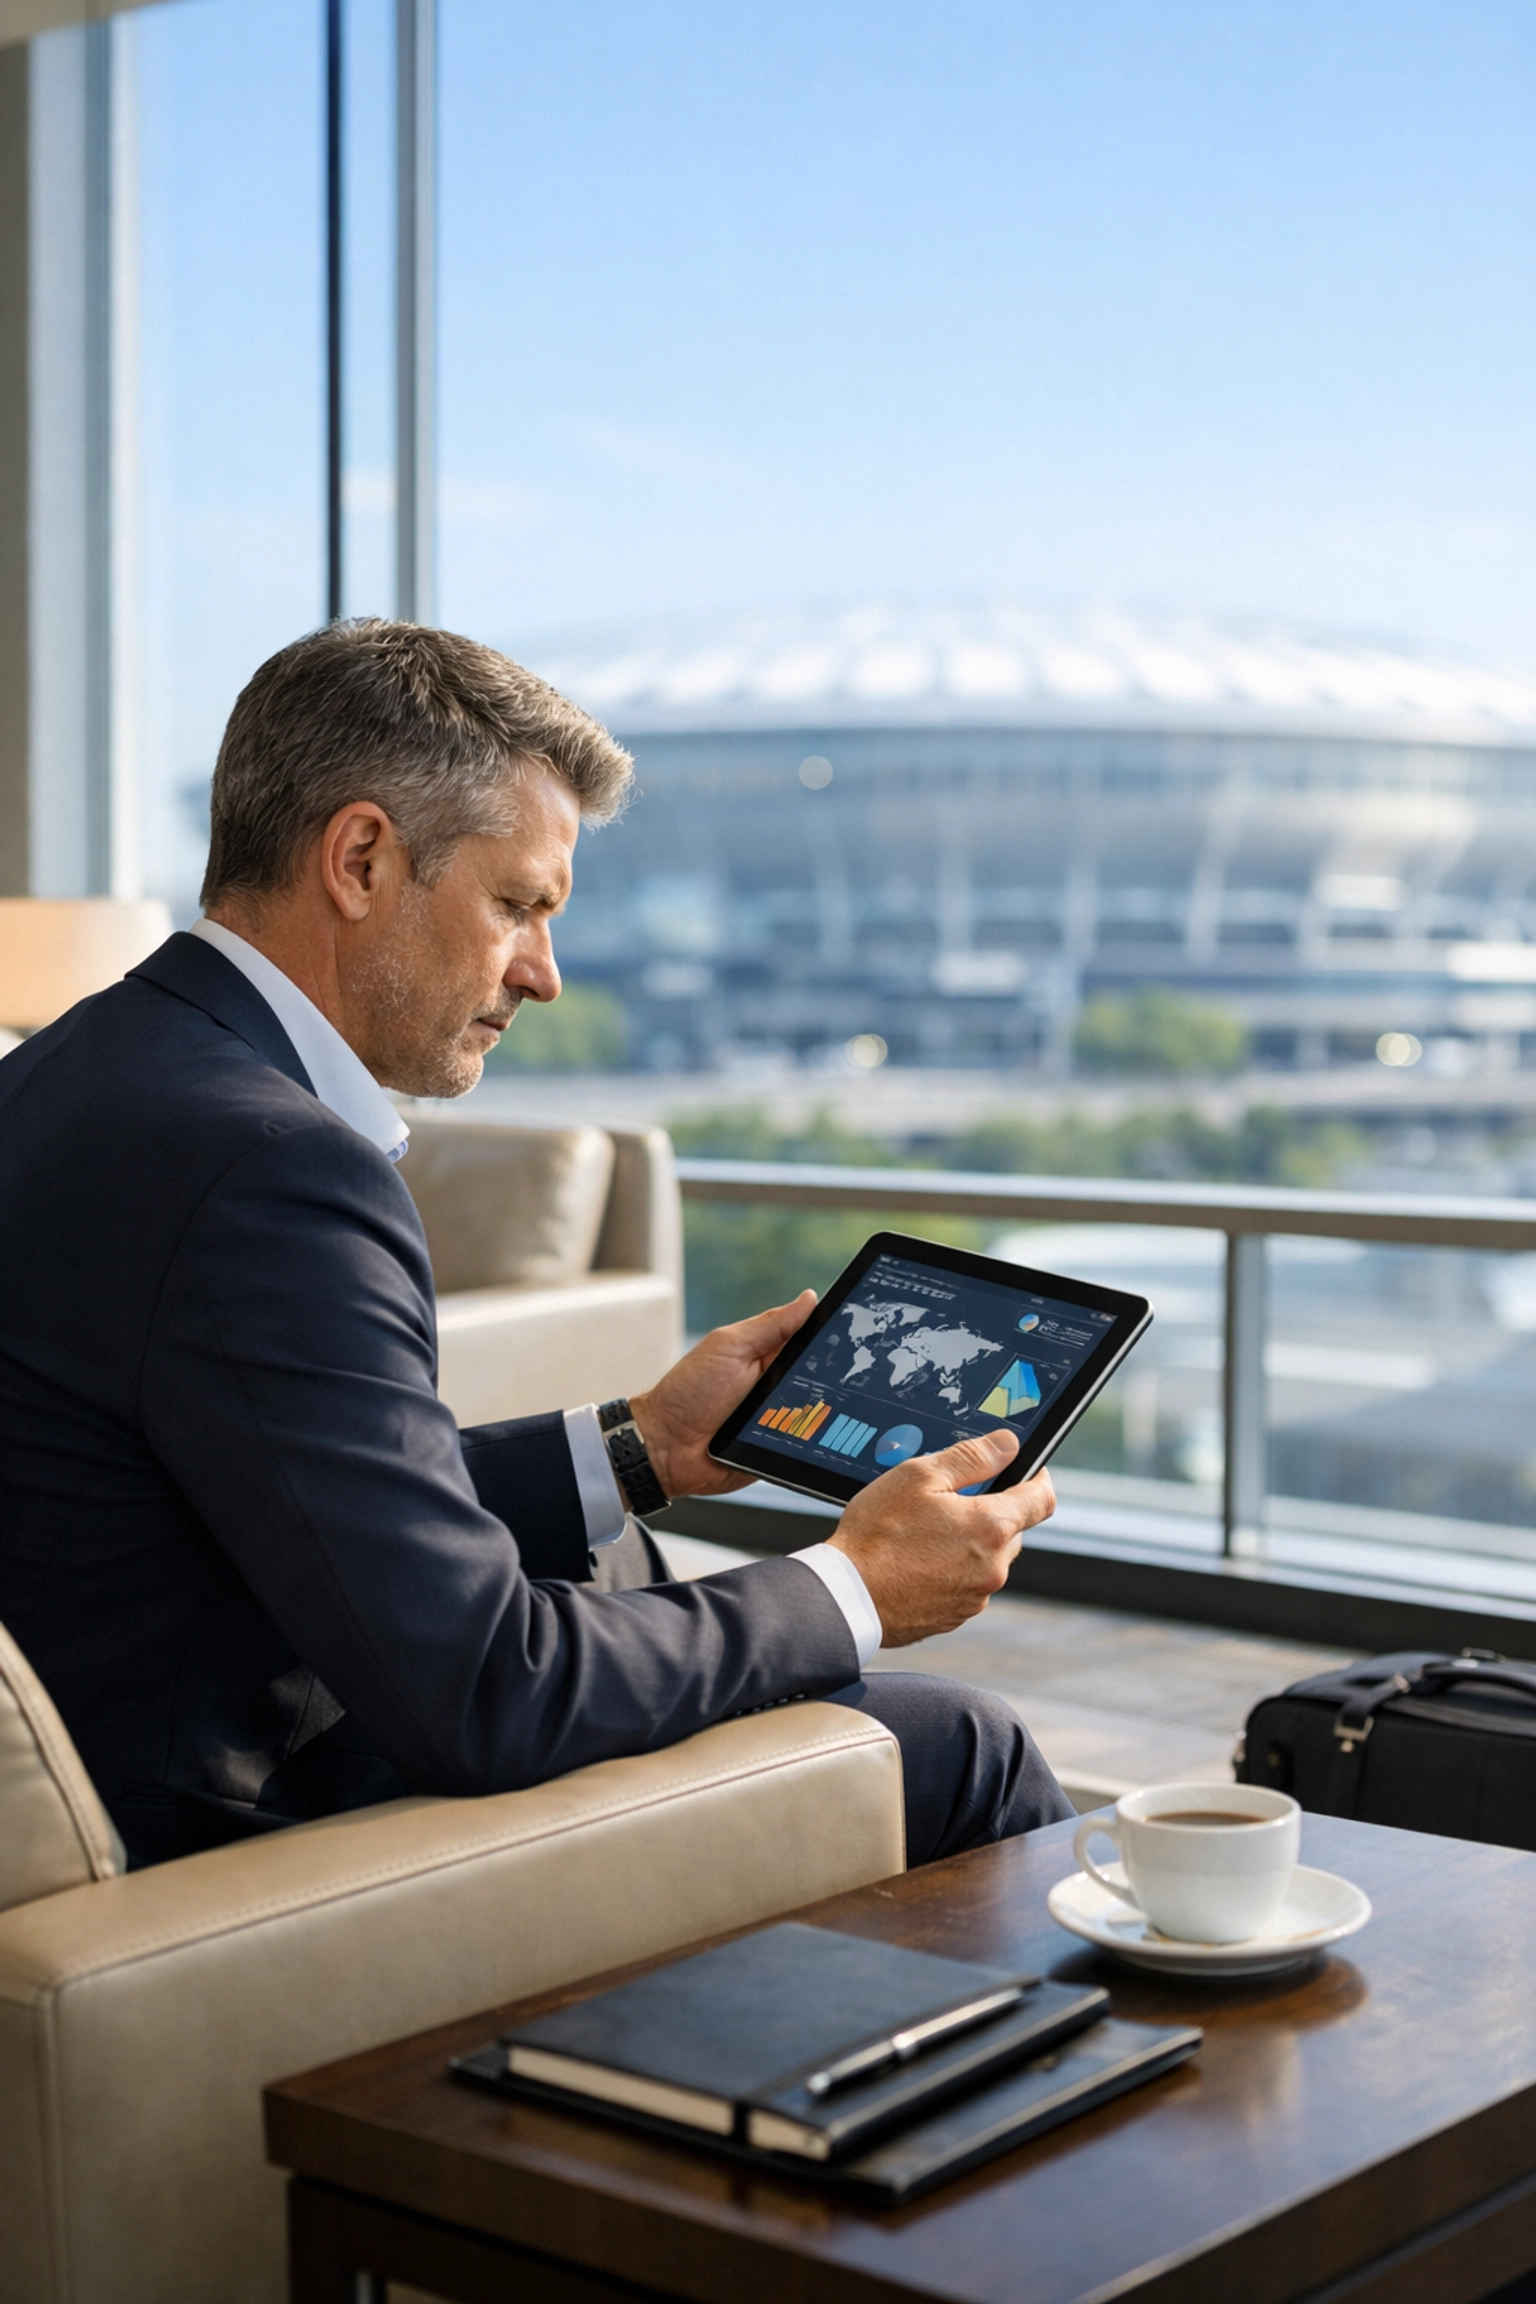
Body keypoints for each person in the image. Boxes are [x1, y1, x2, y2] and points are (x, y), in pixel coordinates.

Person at [0, 619, 1069, 1870]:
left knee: (634, 1559)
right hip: (228, 1821)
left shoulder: (80, 1070)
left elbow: (280, 1480)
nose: (544, 973)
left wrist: (643, 1445)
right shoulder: (270, 1171)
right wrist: (852, 1586)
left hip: (143, 1719)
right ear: (359, 859)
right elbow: (485, 1693)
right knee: (960, 1748)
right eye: (517, 905)